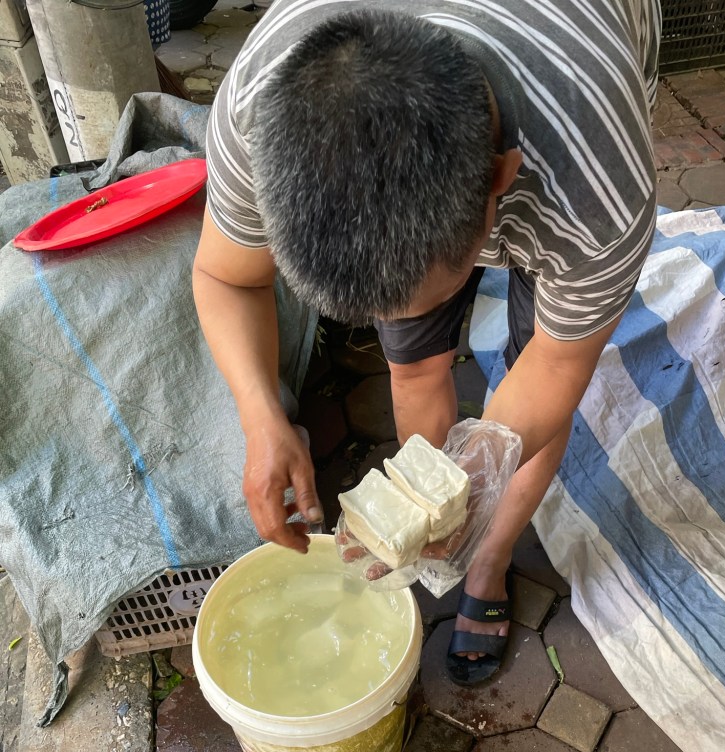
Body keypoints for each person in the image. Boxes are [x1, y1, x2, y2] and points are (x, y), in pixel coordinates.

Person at [194, 0, 660, 685]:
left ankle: (492, 559)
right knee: (412, 363)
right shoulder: (256, 107)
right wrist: (261, 416)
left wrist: (476, 486)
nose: (392, 322)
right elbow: (224, 277)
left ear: (500, 179)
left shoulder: (598, 189)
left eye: (421, 296)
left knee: (534, 360)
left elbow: (558, 363)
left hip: (581, 56)